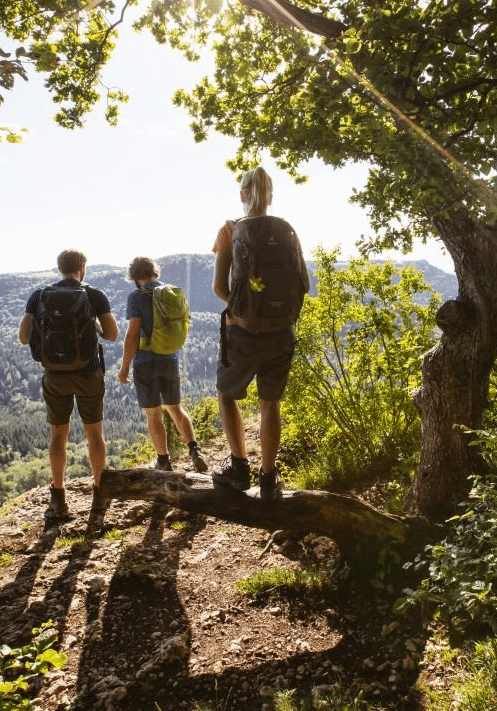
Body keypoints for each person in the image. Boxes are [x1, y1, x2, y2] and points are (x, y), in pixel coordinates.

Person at [210, 166, 310, 500]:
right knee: (271, 404)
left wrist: (243, 313)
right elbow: (304, 284)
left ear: (243, 194)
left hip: (241, 333)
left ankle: (239, 468)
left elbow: (218, 288)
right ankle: (269, 478)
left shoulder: (229, 230)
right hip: (282, 333)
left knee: (227, 394)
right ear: (270, 196)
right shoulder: (288, 230)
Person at [19, 249, 118, 525]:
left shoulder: (39, 296)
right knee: (94, 434)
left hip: (54, 375)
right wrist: (92, 324)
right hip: (88, 373)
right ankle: (99, 498)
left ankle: (58, 498)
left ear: (59, 268)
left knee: (58, 436)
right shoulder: (94, 295)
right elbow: (111, 334)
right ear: (82, 267)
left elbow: (23, 337)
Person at [117, 256, 210, 473]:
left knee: (153, 414)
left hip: (145, 361)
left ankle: (164, 461)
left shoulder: (137, 297)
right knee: (176, 408)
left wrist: (124, 369)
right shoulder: (172, 293)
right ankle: (195, 451)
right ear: (154, 272)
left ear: (134, 276)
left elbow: (132, 335)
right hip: (170, 358)